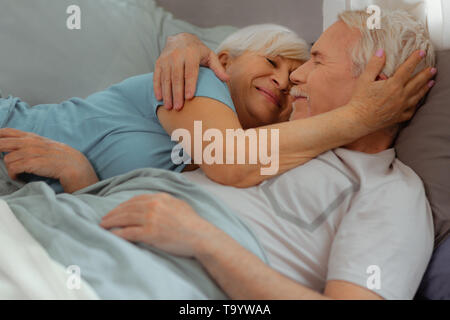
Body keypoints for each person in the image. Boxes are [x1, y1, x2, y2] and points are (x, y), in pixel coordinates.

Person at [101, 9, 437, 300]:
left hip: (118, 270)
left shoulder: (389, 192)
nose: (295, 76)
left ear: (376, 82)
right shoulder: (259, 137)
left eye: (317, 60)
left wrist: (203, 239)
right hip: (83, 219)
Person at [0, 23, 434, 194]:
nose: (284, 81)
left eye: (295, 74)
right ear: (224, 61)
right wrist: (363, 115)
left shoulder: (256, 151)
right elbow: (231, 161)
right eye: (271, 62)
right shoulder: (196, 80)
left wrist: (80, 175)